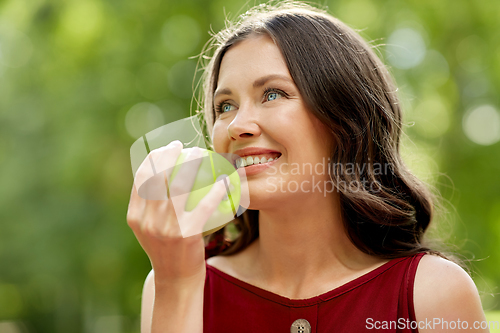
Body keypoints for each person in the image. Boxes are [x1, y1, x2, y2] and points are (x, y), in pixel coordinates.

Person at [127, 2, 489, 332]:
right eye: (225, 106)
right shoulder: (173, 283)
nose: (238, 125)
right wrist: (177, 288)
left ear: (343, 119)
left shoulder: (433, 295)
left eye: (272, 94)